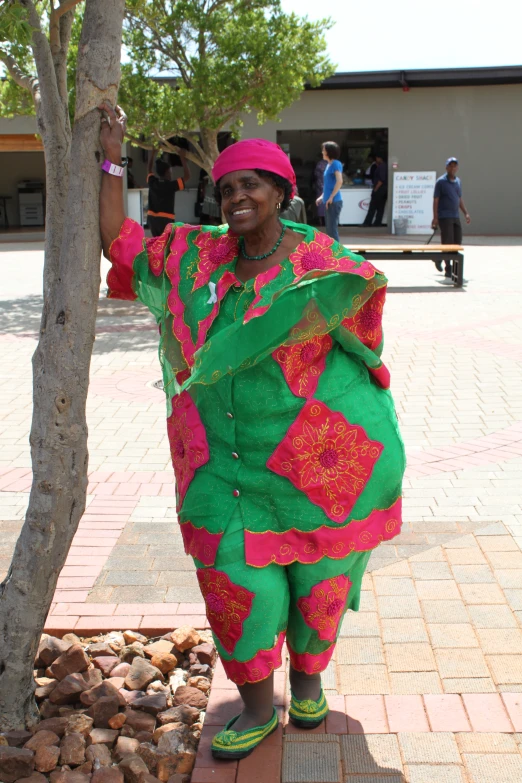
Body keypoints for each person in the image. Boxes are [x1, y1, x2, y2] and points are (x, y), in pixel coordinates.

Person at [99, 104, 405, 760]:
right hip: (222, 463)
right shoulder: (195, 256)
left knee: (318, 582)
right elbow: (117, 241)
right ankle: (260, 707)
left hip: (314, 462)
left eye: (252, 186)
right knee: (236, 581)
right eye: (228, 188)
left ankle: (310, 682)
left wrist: (370, 391)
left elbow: (367, 332)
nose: (237, 196)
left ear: (281, 194)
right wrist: (110, 156)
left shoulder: (323, 261)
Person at [432, 157, 471, 277]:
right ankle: (448, 268)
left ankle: (441, 259)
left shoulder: (458, 181)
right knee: (447, 242)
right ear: (446, 167)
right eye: (450, 165)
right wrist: (435, 217)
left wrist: (465, 213)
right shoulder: (441, 182)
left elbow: (459, 198)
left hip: (455, 216)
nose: (453, 168)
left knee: (457, 243)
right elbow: (436, 200)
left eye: (455, 165)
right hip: (444, 216)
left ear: (457, 167)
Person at [147, 148, 190, 236]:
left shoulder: (152, 182)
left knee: (157, 243)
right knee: (167, 245)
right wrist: (182, 158)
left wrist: (152, 154)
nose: (171, 174)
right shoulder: (171, 185)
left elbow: (149, 170)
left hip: (152, 219)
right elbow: (187, 176)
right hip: (166, 219)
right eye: (170, 172)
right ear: (167, 173)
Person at [316, 141, 343, 241]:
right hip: (329, 201)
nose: (322, 152)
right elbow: (328, 184)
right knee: (329, 230)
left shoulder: (336, 164)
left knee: (332, 230)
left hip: (334, 201)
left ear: (329, 152)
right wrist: (322, 196)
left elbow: (339, 181)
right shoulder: (329, 165)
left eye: (324, 150)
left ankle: (337, 253)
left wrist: (331, 197)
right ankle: (333, 252)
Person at [363, 153, 387, 227]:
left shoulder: (382, 167)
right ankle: (377, 222)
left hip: (379, 189)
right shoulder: (385, 166)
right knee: (380, 207)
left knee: (372, 207)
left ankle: (367, 222)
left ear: (380, 158)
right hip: (384, 190)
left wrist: (376, 189)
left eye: (377, 158)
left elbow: (381, 179)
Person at [313, 157, 327, 225]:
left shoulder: (333, 163)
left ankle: (322, 223)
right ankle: (322, 223)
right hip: (322, 188)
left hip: (322, 187)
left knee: (322, 207)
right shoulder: (321, 164)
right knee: (322, 207)